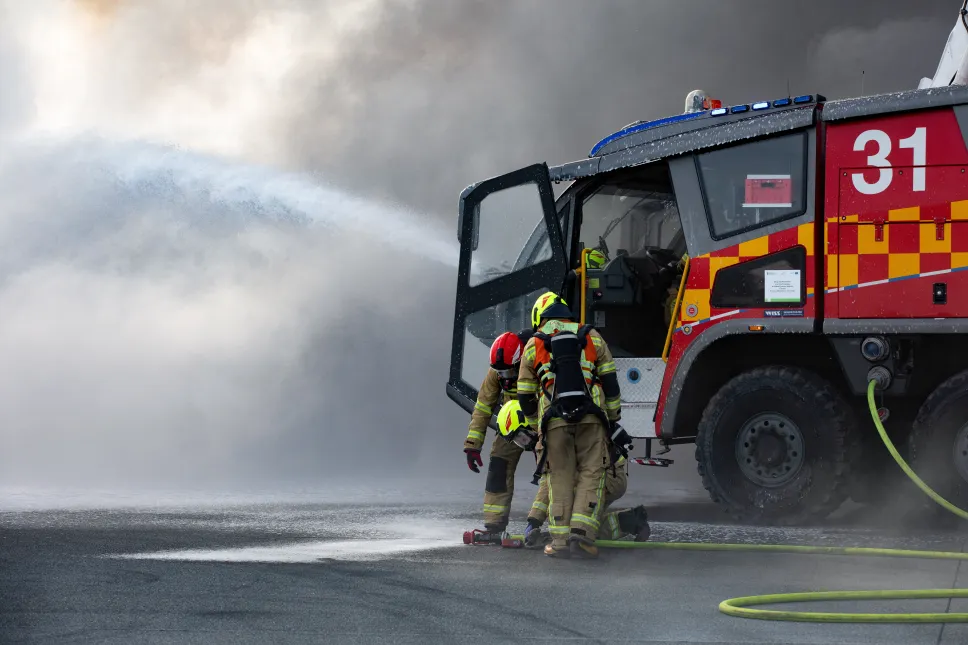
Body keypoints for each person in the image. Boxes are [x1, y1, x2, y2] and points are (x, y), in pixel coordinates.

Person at [517, 291, 628, 559]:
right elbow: (610, 382)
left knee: (559, 478)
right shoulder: (591, 336)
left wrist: (536, 426)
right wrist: (613, 417)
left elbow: (525, 395)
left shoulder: (534, 343)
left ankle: (559, 544)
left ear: (540, 318)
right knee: (592, 473)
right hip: (592, 418)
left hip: (553, 421)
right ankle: (582, 537)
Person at [463, 330, 532, 533]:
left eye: (509, 373)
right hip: (512, 425)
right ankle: (494, 524)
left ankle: (557, 523)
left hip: (541, 420)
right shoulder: (498, 370)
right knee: (499, 465)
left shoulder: (537, 360)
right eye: (500, 373)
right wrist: (473, 445)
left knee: (552, 470)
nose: (505, 378)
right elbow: (483, 406)